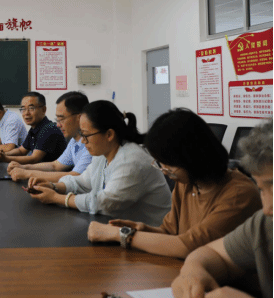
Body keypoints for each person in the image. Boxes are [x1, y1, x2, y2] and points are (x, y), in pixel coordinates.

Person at [87, 109, 261, 259]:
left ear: (193, 157)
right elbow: (169, 232)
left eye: (169, 165)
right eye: (160, 164)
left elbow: (187, 246)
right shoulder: (187, 182)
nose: (164, 171)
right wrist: (142, 229)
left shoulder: (239, 194)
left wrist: (121, 235)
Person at [172, 118, 273, 298]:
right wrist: (193, 270)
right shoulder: (265, 224)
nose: (267, 208)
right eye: (261, 189)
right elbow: (212, 253)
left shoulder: (238, 191)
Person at [28, 100, 171, 227]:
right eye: (82, 134)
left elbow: (104, 203)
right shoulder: (103, 154)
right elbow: (84, 181)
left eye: (86, 135)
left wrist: (55, 198)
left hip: (152, 236)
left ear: (109, 135)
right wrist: (54, 186)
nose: (83, 141)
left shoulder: (131, 161)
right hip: (121, 229)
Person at [8, 91, 92, 183]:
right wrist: (24, 167)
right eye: (57, 119)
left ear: (79, 117)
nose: (58, 125)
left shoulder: (91, 142)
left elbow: (76, 176)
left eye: (61, 119)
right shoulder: (74, 141)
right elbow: (55, 165)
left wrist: (28, 173)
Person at [0, 92, 66, 165]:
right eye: (23, 109)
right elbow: (21, 151)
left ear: (43, 109)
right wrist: (3, 154)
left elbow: (34, 159)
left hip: (53, 175)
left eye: (31, 108)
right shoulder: (34, 128)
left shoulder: (48, 129)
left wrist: (5, 158)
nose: (26, 113)